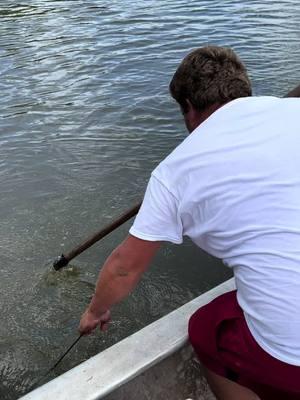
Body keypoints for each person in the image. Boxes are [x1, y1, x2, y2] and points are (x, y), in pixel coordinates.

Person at [79, 46, 300, 400]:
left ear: (189, 109)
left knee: (205, 328)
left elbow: (123, 268)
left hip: (291, 362)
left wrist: (95, 310)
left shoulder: (174, 172)